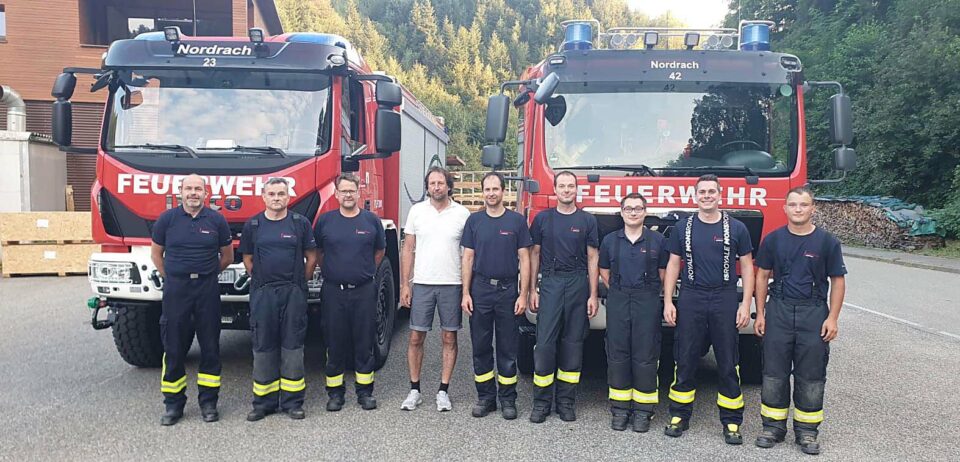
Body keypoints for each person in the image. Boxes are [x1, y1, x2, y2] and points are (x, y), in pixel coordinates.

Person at [753, 187, 847, 455]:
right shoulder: (773, 240)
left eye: (803, 205)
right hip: (779, 310)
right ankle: (772, 427)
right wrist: (760, 313)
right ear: (784, 208)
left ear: (812, 208)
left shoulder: (827, 242)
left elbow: (838, 281)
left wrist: (832, 318)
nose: (798, 209)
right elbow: (762, 276)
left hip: (813, 313)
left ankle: (807, 431)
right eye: (793, 204)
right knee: (774, 373)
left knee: (811, 375)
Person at [662, 174, 755, 444]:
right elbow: (673, 265)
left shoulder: (737, 228)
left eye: (711, 192)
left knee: (727, 361)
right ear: (695, 196)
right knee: (685, 357)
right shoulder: (682, 228)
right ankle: (679, 415)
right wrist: (668, 301)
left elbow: (747, 267)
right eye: (702, 192)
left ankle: (732, 422)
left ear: (719, 195)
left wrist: (745, 304)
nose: (706, 196)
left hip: (724, 297)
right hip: (691, 296)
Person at [150, 174, 233, 426]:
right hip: (177, 290)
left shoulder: (217, 220)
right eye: (189, 188)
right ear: (181, 192)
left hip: (207, 288)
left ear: (206, 193)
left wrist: (206, 274)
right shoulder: (167, 220)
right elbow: (156, 255)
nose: (193, 193)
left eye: (198, 188)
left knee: (210, 347)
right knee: (174, 347)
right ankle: (173, 404)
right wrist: (173, 277)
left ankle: (209, 403)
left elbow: (227, 256)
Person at [239, 177, 317, 421]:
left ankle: (293, 403)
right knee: (263, 345)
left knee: (292, 346)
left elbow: (311, 257)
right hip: (263, 293)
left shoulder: (300, 223)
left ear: (288, 197)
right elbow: (247, 259)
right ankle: (263, 403)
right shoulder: (253, 225)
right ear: (264, 197)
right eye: (271, 194)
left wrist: (299, 283)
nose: (276, 198)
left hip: (293, 292)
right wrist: (262, 281)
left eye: (281, 194)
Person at [528, 170, 599, 423]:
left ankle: (566, 403)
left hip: (578, 283)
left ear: (576, 190)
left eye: (571, 186)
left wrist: (593, 294)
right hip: (551, 282)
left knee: (573, 344)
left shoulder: (587, 220)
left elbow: (593, 258)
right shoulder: (543, 219)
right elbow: (534, 254)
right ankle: (541, 404)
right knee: (545, 345)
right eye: (562, 186)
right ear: (555, 190)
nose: (567, 190)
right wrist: (532, 289)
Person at [460, 172, 532, 420]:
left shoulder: (516, 221)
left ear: (503, 191)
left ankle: (508, 399)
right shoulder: (474, 221)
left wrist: (523, 295)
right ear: (483, 192)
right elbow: (468, 258)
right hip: (480, 289)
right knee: (480, 346)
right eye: (487, 189)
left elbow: (525, 259)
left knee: (507, 347)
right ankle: (486, 398)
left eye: (495, 189)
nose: (491, 193)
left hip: (508, 291)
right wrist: (465, 292)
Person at [399, 166, 471, 412]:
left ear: (449, 186)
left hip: (452, 283)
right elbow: (408, 249)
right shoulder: (417, 212)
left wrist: (466, 290)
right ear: (427, 187)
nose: (436, 187)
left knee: (449, 337)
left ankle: (443, 391)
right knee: (416, 337)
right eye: (432, 183)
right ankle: (414, 390)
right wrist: (405, 284)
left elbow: (469, 254)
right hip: (422, 283)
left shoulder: (462, 214)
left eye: (441, 183)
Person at [314, 173, 387, 412]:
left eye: (351, 191)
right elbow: (319, 253)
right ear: (336, 194)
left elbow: (379, 252)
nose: (348, 195)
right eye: (343, 191)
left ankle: (365, 393)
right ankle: (335, 394)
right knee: (334, 343)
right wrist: (335, 273)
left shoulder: (371, 221)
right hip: (333, 292)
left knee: (364, 343)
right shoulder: (325, 221)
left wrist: (363, 273)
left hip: (364, 291)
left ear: (358, 193)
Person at [598, 193, 668, 432]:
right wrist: (619, 291)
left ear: (645, 212)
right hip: (618, 298)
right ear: (621, 212)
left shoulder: (658, 241)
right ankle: (619, 410)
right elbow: (604, 271)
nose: (633, 213)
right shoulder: (610, 241)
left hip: (647, 300)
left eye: (638, 208)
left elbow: (663, 273)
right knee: (617, 354)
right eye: (629, 208)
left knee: (645, 355)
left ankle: (643, 412)